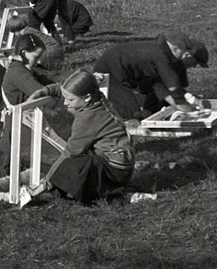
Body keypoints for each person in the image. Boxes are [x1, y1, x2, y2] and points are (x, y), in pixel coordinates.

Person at [25, 70, 135, 205]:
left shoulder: (87, 118)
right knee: (73, 164)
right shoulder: (97, 97)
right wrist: (45, 91)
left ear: (87, 97)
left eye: (70, 100)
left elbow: (71, 152)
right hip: (123, 164)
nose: (65, 103)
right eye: (65, 98)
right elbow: (69, 90)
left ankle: (59, 194)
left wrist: (46, 182)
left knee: (71, 165)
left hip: (114, 171)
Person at [92, 31, 209, 120]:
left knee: (158, 87)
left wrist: (195, 101)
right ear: (188, 55)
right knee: (131, 115)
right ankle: (101, 114)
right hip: (111, 69)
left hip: (130, 72)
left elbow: (167, 88)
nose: (194, 67)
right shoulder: (162, 57)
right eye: (196, 63)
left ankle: (148, 114)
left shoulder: (171, 59)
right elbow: (174, 94)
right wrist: (193, 111)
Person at [0, 34, 60, 172]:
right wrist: (54, 101)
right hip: (18, 121)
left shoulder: (22, 69)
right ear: (24, 53)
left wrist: (69, 87)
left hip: (24, 120)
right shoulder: (18, 73)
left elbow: (48, 83)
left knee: (20, 155)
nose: (38, 62)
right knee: (14, 159)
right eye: (36, 57)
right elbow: (38, 91)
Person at [3, 0, 74, 47]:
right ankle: (57, 44)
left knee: (33, 22)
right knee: (48, 22)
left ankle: (36, 46)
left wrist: (27, 3)